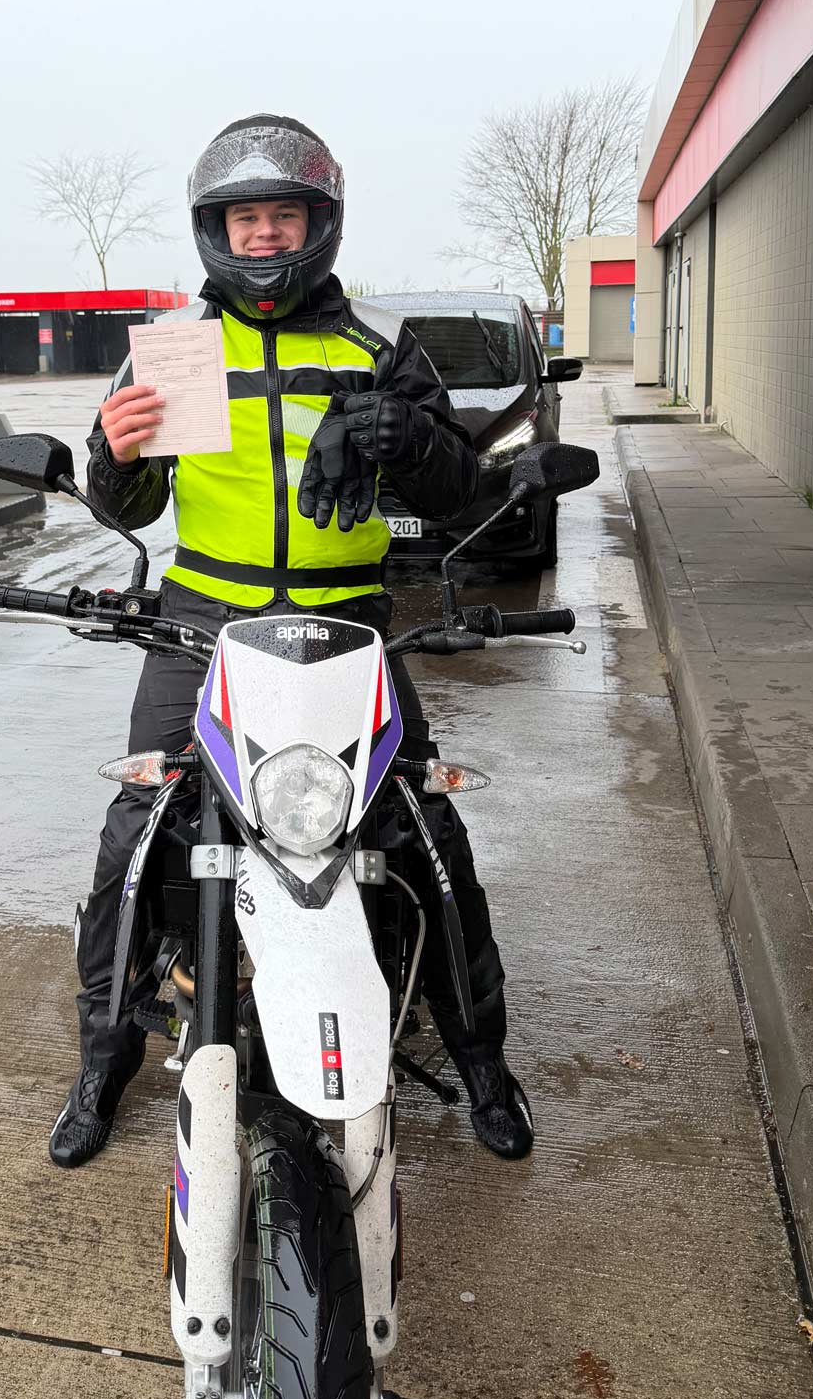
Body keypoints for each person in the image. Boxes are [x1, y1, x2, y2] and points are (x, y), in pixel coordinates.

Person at [50, 114, 532, 1168]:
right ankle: (102, 1060)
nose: (264, 237)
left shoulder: (375, 346)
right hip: (200, 624)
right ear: (213, 231)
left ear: (321, 224)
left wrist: (410, 437)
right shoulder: (178, 347)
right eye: (244, 219)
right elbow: (126, 502)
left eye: (283, 217)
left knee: (423, 832)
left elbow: (459, 495)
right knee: (137, 831)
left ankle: (481, 1057)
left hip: (348, 621)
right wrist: (112, 453)